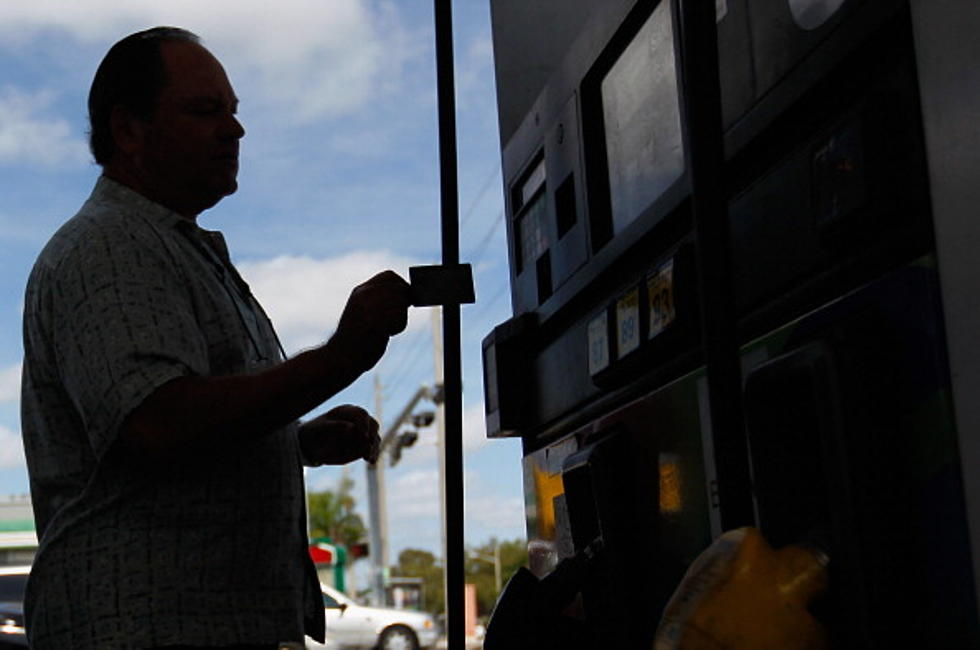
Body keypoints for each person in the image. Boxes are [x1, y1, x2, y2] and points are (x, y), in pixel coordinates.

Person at [20, 27, 412, 650]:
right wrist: (340, 357)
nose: (235, 130)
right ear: (128, 130)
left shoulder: (174, 251)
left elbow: (172, 444)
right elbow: (158, 424)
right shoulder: (110, 246)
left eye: (234, 112)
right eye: (205, 111)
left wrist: (295, 443)